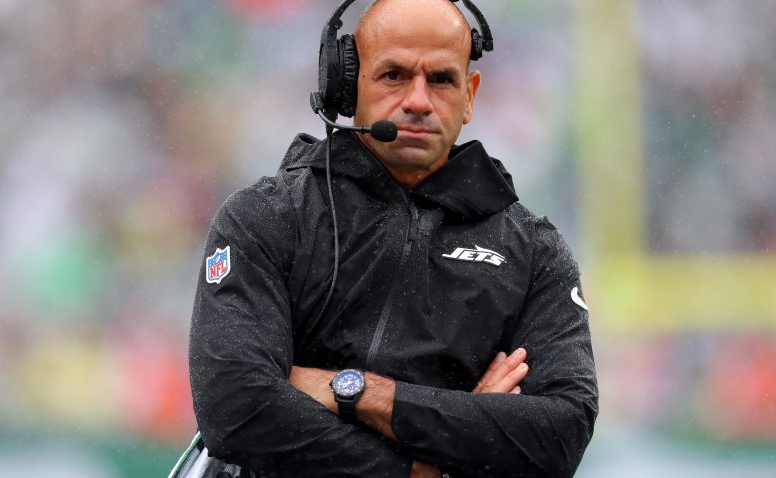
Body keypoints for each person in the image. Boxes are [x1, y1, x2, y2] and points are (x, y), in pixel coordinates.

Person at [188, 0, 598, 476]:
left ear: (470, 95)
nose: (419, 101)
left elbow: (561, 432)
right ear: (346, 86)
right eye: (394, 75)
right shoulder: (267, 217)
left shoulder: (532, 252)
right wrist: (426, 466)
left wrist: (357, 391)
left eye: (442, 79)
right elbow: (236, 408)